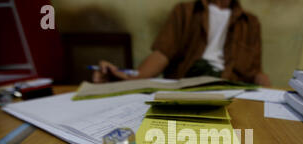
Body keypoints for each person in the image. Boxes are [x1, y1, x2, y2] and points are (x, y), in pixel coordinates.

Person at [92, 0, 271, 86]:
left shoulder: (250, 23)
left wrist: (273, 96)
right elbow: (162, 54)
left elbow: (255, 71)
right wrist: (125, 76)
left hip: (230, 90)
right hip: (186, 84)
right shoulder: (185, 12)